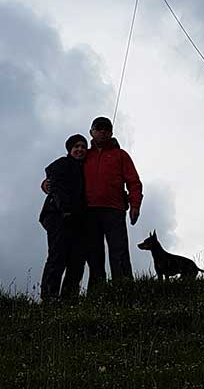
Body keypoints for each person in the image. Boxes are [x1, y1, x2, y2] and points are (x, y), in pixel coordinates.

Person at [82, 116, 143, 288]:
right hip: (89, 212)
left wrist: (135, 205)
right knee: (94, 255)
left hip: (114, 211)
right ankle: (97, 294)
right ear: (91, 132)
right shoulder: (84, 154)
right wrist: (46, 184)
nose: (102, 131)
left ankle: (125, 290)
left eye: (106, 129)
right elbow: (65, 171)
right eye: (98, 128)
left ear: (111, 132)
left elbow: (134, 182)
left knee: (119, 252)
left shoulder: (121, 155)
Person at [39, 134, 89, 301]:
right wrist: (65, 209)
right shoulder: (62, 163)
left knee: (77, 259)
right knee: (58, 255)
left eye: (83, 147)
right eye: (76, 147)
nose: (80, 149)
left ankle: (69, 298)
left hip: (78, 218)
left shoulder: (85, 168)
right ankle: (49, 297)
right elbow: (54, 183)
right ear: (70, 150)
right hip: (57, 215)